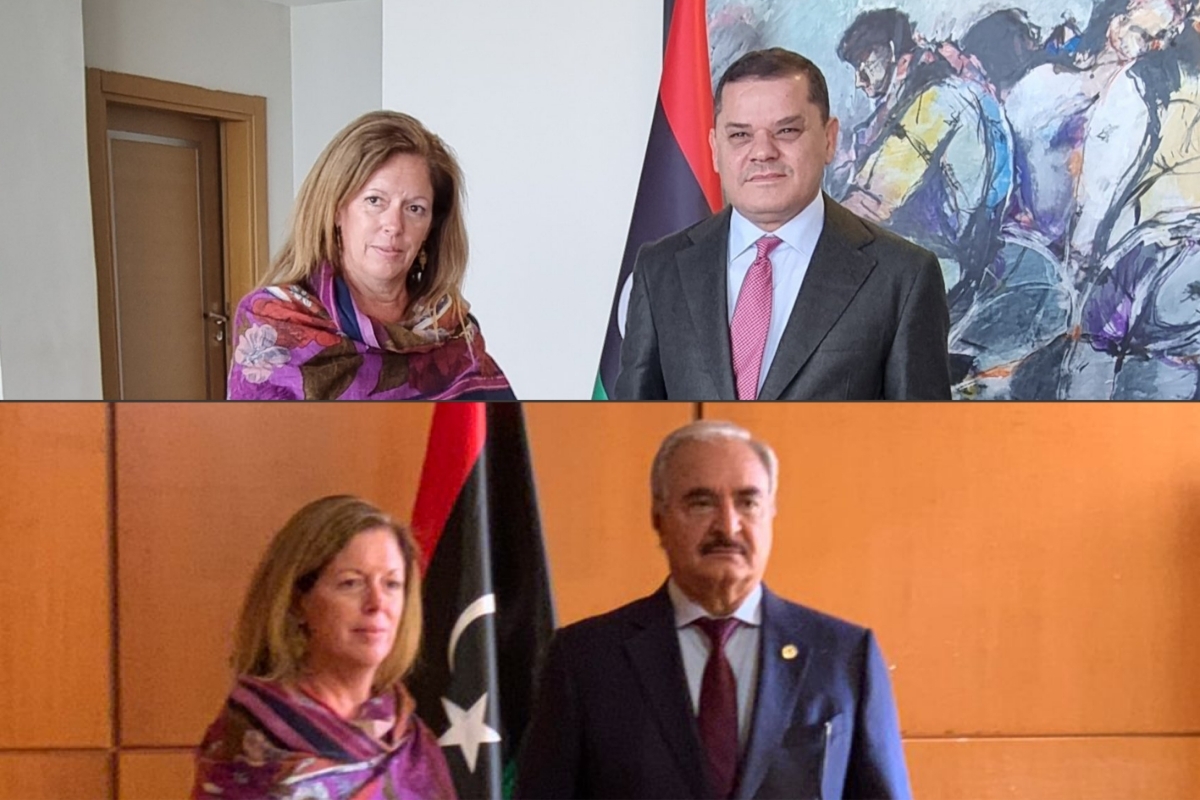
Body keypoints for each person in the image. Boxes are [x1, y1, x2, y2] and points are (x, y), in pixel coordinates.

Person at [515, 421, 911, 799]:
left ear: (771, 514)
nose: (728, 526)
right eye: (701, 502)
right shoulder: (585, 659)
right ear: (659, 518)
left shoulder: (844, 656)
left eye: (748, 502)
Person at [614, 48, 950, 400]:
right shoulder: (661, 268)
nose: (762, 152)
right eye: (740, 135)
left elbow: (922, 445)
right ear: (715, 148)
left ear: (829, 139)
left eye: (786, 130)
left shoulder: (903, 277)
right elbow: (633, 433)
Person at [227, 111, 515, 400]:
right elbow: (249, 442)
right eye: (375, 201)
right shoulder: (273, 323)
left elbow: (500, 438)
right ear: (337, 210)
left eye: (414, 208)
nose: (394, 226)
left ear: (430, 227)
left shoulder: (453, 329)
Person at [192, 496, 458, 799]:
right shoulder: (246, 740)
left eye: (391, 584)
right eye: (351, 583)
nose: (377, 603)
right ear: (296, 602)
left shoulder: (412, 741)